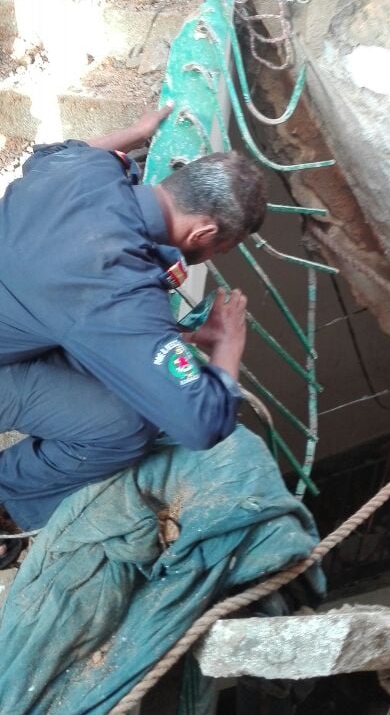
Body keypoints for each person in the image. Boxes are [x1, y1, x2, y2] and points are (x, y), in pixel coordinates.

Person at [0, 108, 268, 560]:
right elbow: (200, 424)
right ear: (204, 231)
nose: (214, 253)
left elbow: (56, 152)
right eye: (222, 246)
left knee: (103, 361)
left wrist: (137, 131)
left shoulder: (89, 169)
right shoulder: (117, 283)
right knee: (125, 425)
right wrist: (226, 348)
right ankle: (7, 502)